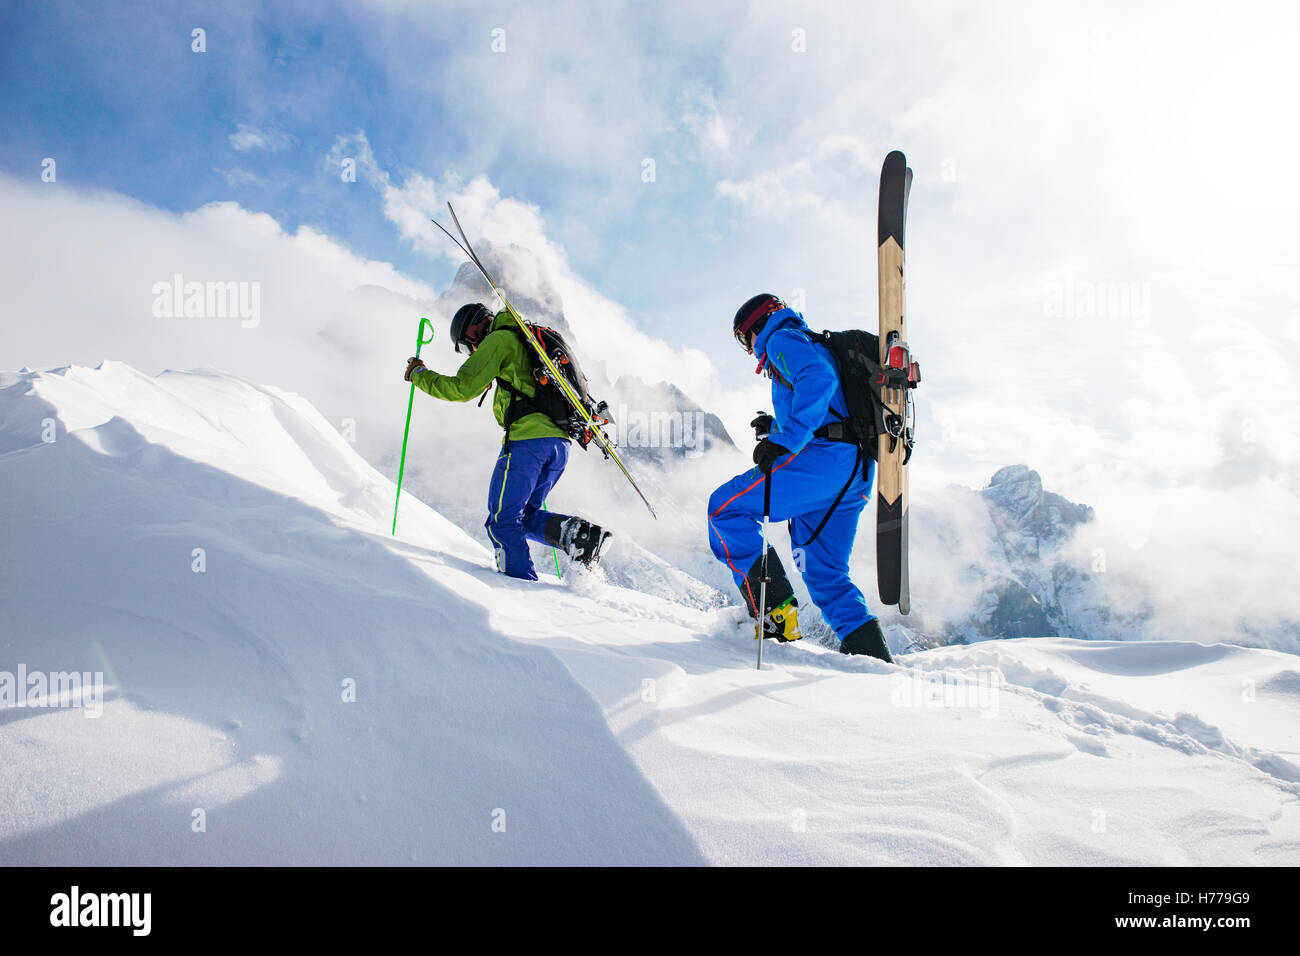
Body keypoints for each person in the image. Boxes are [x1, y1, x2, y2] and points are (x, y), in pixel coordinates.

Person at [707, 294, 893, 660]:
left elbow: (818, 380)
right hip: (854, 472)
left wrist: (785, 439)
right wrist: (776, 425)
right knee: (823, 571)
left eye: (743, 339)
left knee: (724, 510)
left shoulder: (781, 338)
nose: (748, 350)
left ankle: (775, 621)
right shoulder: (809, 341)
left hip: (824, 465)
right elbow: (830, 406)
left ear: (755, 326)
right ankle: (875, 663)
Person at [404, 302, 610, 580]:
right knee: (524, 516)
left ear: (473, 330)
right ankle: (581, 536)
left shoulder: (499, 339)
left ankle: (517, 588)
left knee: (502, 521)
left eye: (466, 347)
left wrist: (419, 375)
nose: (471, 352)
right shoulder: (525, 339)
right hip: (559, 446)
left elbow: (461, 388)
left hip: (528, 443)